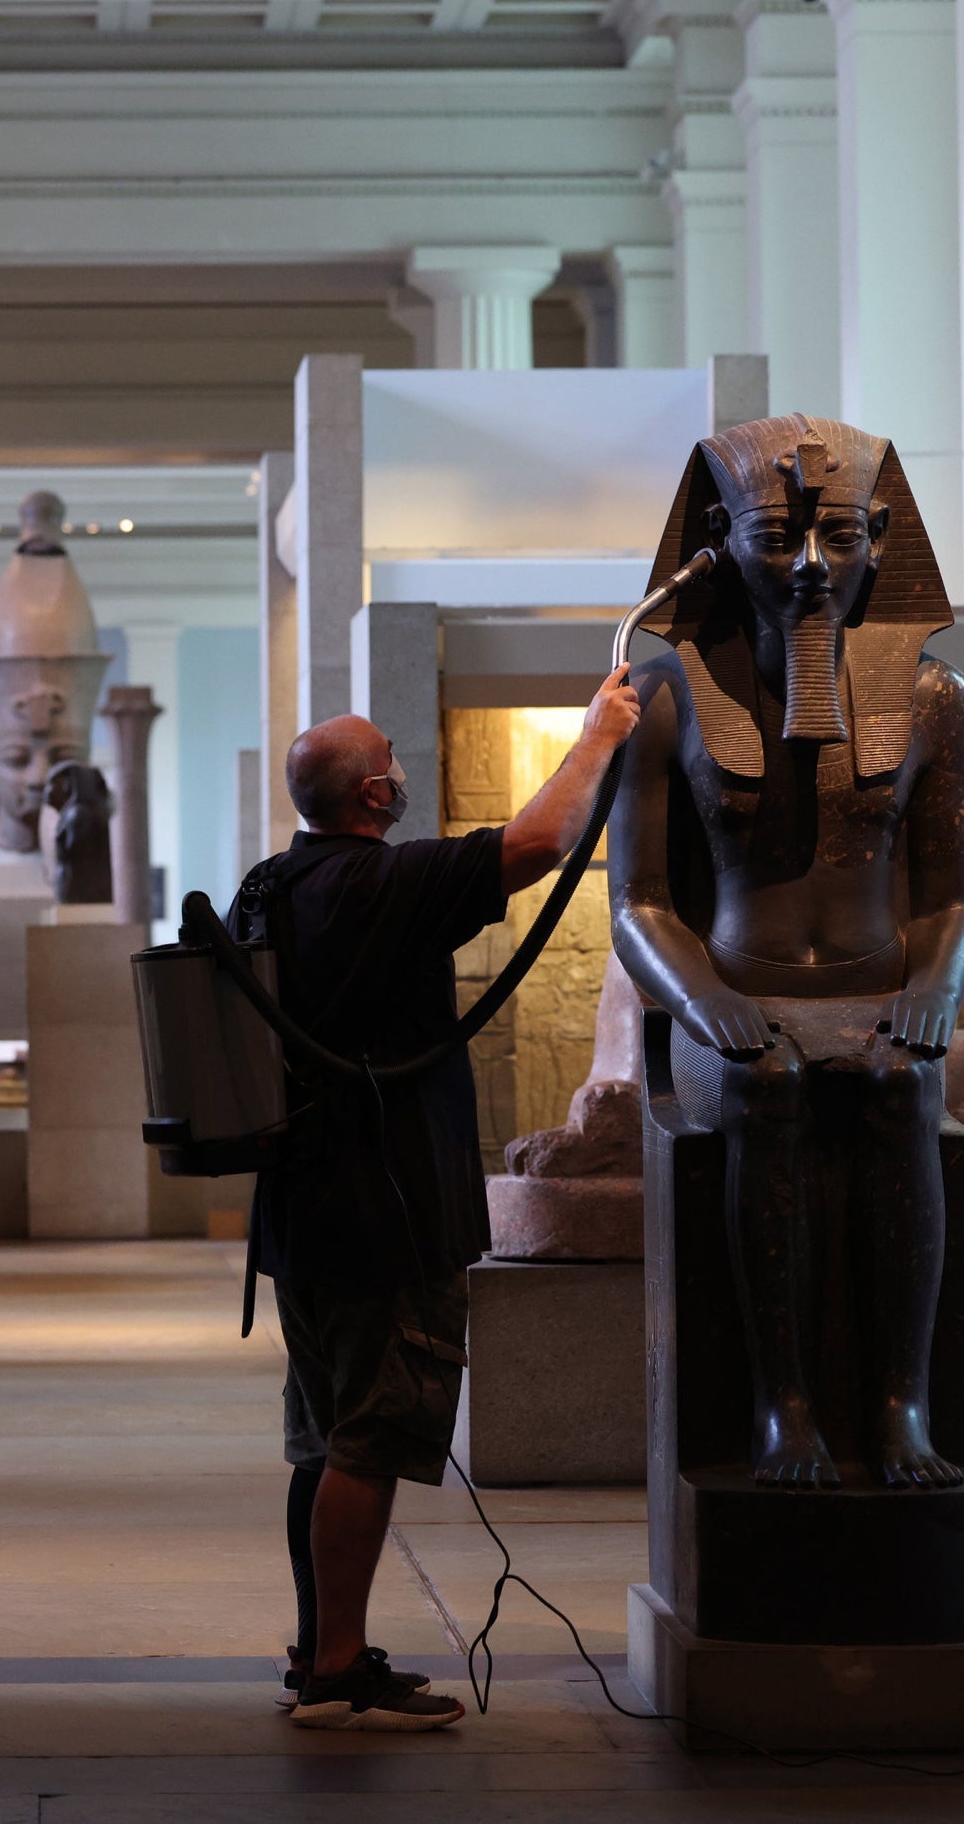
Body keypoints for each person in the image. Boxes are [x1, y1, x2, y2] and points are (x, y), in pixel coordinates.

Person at [230, 675, 640, 1730]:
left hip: (305, 1211)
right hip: (386, 1211)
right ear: (374, 792)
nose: (403, 769)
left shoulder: (273, 885)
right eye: (393, 758)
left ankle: (322, 1644)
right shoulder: (382, 885)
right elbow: (542, 839)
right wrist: (598, 731)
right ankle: (333, 1670)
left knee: (322, 1439)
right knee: (366, 1438)